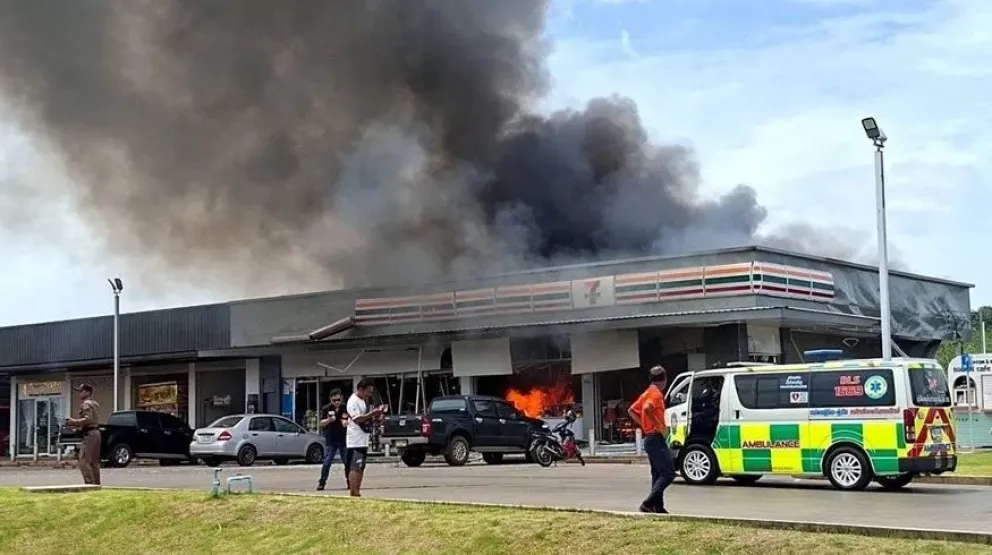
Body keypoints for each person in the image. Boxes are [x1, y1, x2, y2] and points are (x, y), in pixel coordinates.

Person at [628, 365, 675, 514]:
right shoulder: (656, 394)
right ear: (664, 380)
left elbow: (631, 410)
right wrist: (659, 426)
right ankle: (648, 503)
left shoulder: (647, 392)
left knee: (657, 473)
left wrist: (644, 425)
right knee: (668, 473)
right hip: (655, 438)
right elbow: (647, 408)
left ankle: (657, 506)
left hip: (649, 438)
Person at [345, 378, 388, 497]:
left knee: (361, 466)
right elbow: (357, 419)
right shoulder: (352, 401)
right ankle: (353, 491)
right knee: (355, 466)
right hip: (355, 439)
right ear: (360, 389)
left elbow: (366, 418)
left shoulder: (363, 401)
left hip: (363, 438)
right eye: (368, 392)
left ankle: (357, 490)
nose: (369, 395)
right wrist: (372, 413)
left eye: (371, 392)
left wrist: (377, 416)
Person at [65, 384, 101, 485]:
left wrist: (74, 422)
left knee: (84, 460)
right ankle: (96, 485)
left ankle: (89, 484)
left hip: (89, 434)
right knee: (94, 462)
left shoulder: (86, 404)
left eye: (82, 391)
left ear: (88, 393)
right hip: (96, 432)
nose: (80, 394)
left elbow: (88, 419)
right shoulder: (95, 404)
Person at [316, 389, 349, 491]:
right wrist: (329, 420)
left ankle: (350, 482)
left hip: (343, 438)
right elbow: (320, 423)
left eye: (338, 400)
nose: (337, 402)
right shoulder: (326, 408)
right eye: (334, 400)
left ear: (342, 398)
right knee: (327, 461)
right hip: (331, 438)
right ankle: (322, 482)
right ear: (330, 399)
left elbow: (351, 419)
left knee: (347, 461)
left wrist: (346, 422)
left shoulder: (346, 407)